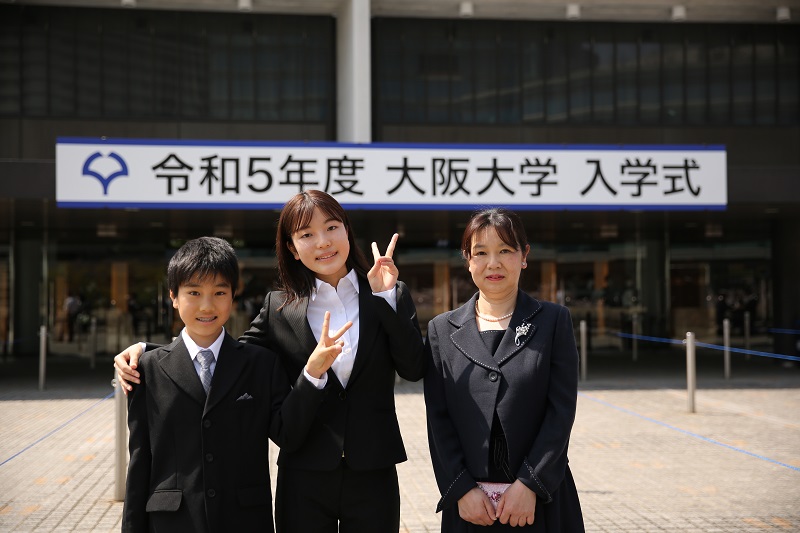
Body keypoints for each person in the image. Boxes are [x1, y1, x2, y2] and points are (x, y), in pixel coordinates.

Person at [115, 190, 427, 533]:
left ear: (347, 231)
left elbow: (413, 368)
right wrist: (149, 351)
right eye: (307, 234)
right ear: (292, 248)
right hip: (304, 473)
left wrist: (384, 297)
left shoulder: (388, 293)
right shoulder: (281, 307)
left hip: (374, 469)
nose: (323, 242)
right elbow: (227, 352)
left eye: (332, 227)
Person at [122, 236, 347, 533]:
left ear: (233, 295)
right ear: (173, 297)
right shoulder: (146, 371)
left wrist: (312, 374)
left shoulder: (260, 365)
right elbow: (140, 465)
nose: (206, 305)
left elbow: (288, 435)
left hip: (244, 520)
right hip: (172, 523)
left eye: (219, 292)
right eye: (193, 292)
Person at [423, 208, 584, 532]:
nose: (493, 263)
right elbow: (438, 420)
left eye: (505, 251)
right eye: (481, 253)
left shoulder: (552, 321)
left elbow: (560, 413)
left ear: (524, 256)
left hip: (540, 502)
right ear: (467, 259)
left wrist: (531, 483)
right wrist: (461, 489)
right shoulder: (442, 329)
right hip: (470, 507)